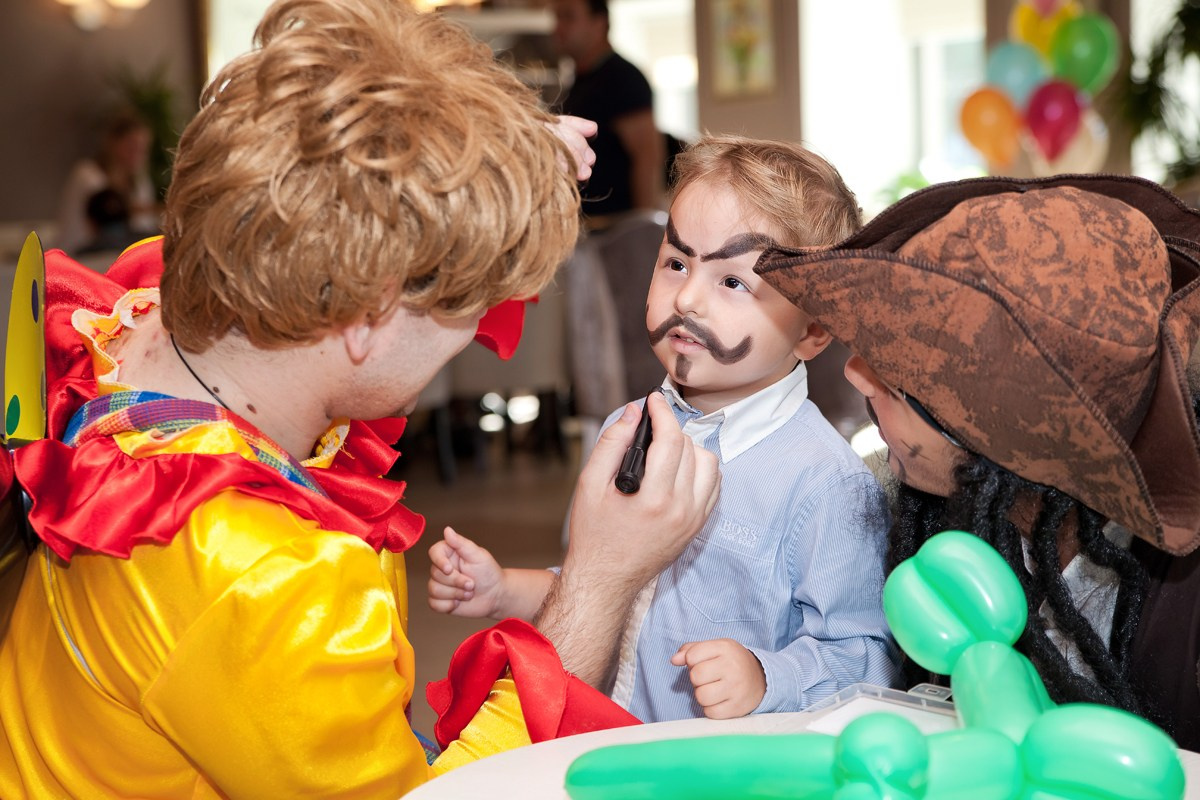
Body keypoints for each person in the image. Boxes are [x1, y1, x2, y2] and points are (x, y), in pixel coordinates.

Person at [0, 1, 720, 796]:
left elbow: (329, 204)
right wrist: (601, 580)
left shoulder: (145, 298)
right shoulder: (260, 576)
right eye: (467, 308)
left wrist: (487, 168)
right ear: (369, 313)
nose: (476, 329)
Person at [429, 136, 902, 723]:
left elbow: (868, 659)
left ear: (814, 330)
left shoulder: (827, 483)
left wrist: (766, 676)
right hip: (607, 741)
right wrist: (504, 589)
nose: (688, 298)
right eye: (677, 264)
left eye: (733, 282)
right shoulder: (627, 430)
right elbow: (598, 583)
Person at [754, 175, 1200, 750]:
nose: (855, 373)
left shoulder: (1182, 603)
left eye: (896, 375)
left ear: (998, 436)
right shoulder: (921, 522)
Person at [552, 0, 665, 222]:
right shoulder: (581, 81)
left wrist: (643, 228)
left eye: (568, 17)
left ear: (599, 23)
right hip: (588, 227)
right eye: (557, 18)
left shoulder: (622, 78)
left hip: (615, 228)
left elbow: (647, 156)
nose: (558, 27)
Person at [55, 111, 159, 255]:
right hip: (81, 252)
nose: (138, 155)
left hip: (118, 251)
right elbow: (108, 211)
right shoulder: (87, 174)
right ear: (113, 143)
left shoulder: (139, 181)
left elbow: (144, 224)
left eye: (143, 149)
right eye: (132, 147)